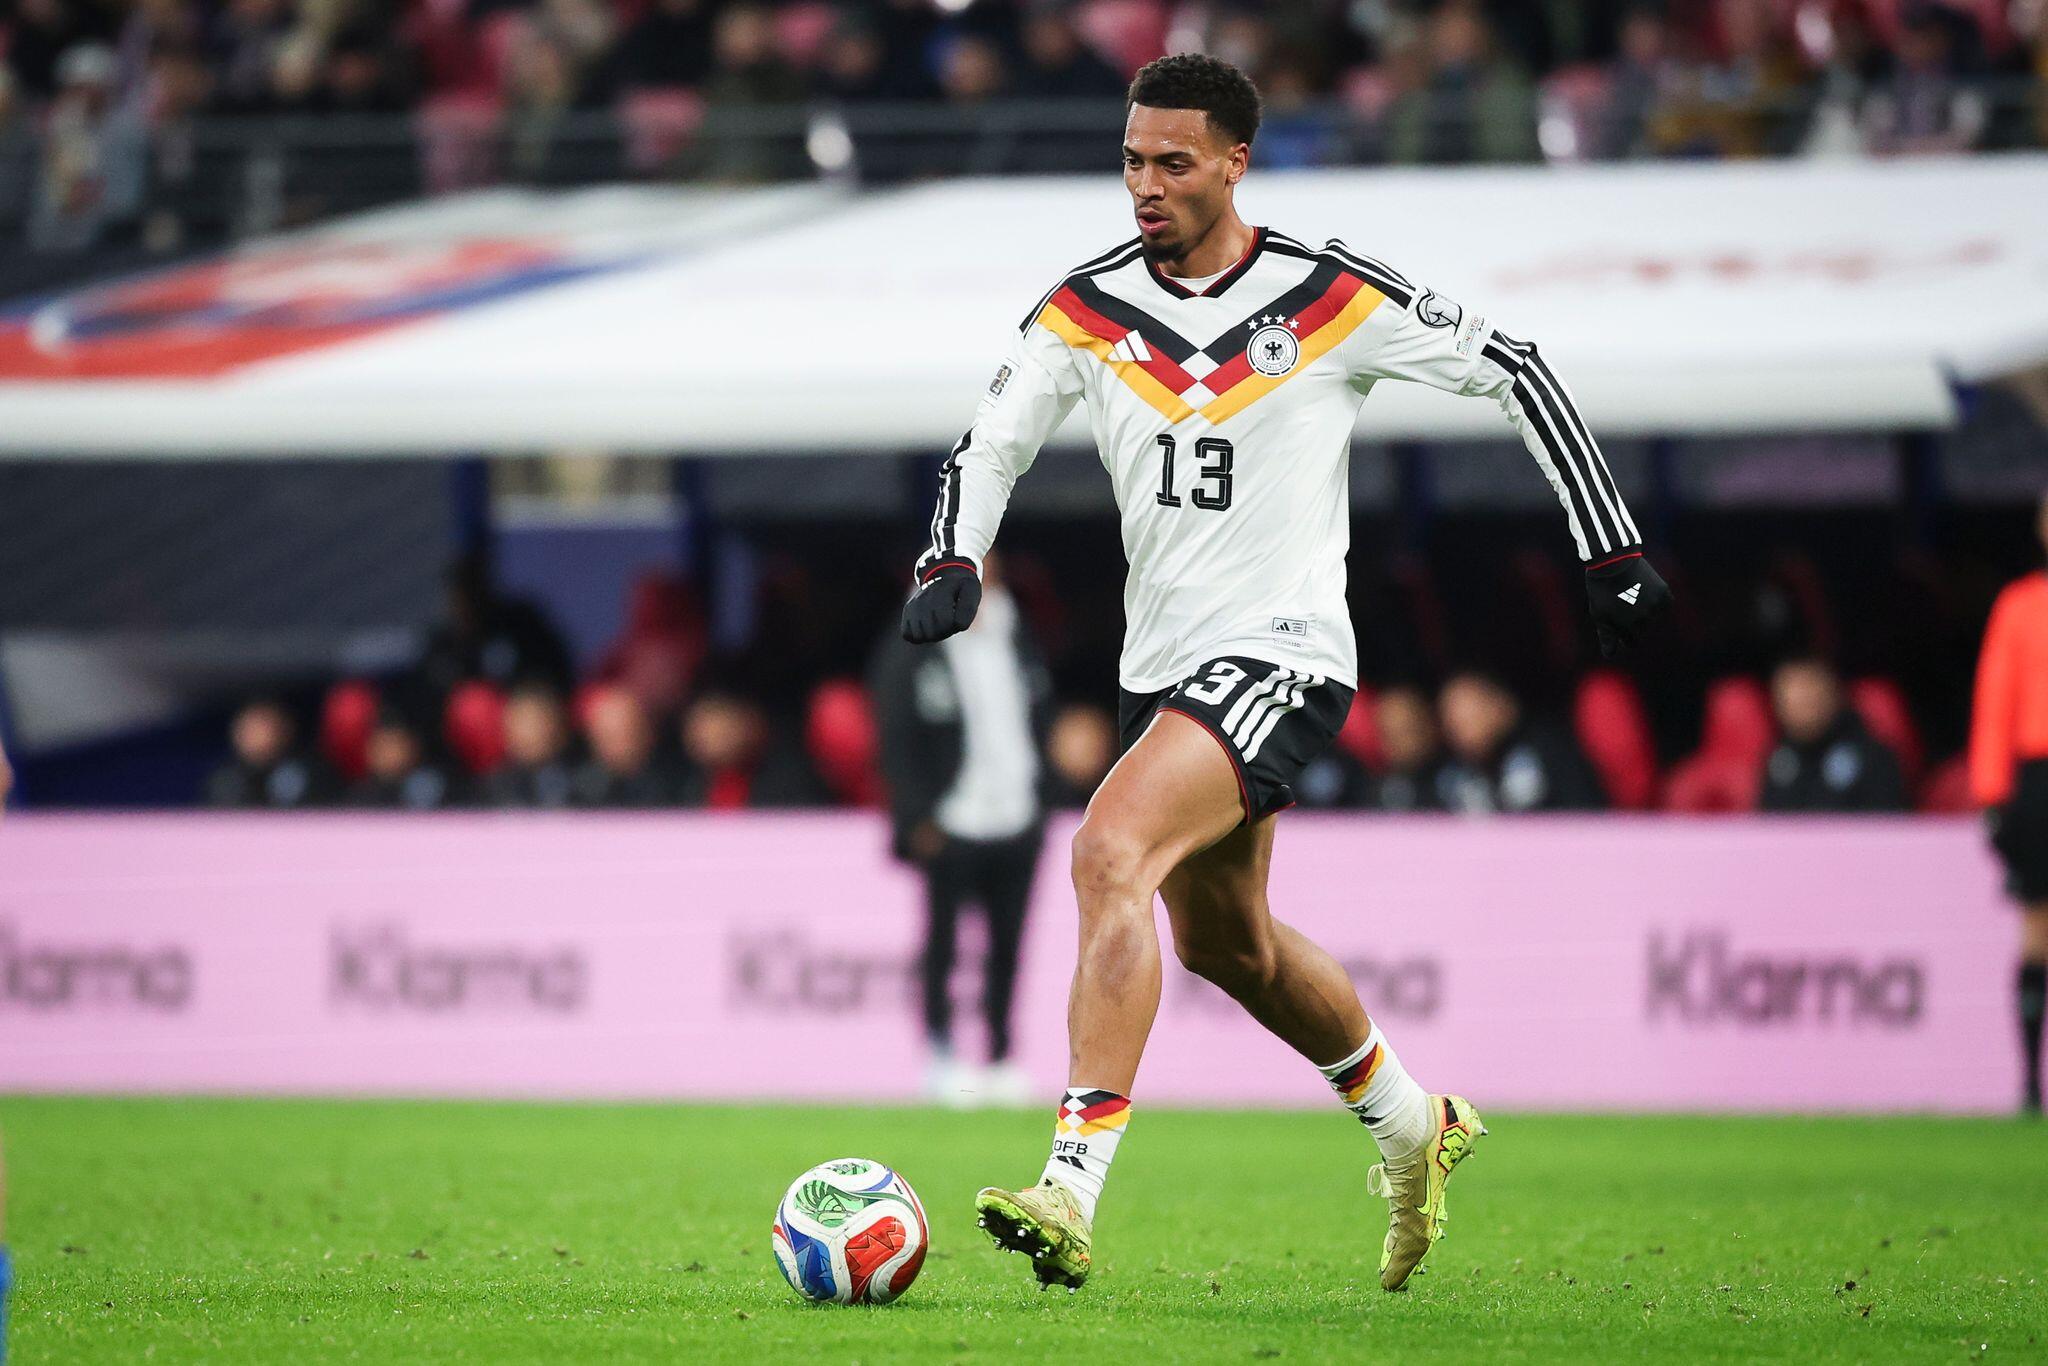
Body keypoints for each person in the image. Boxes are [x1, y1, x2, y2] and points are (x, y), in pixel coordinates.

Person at [897, 53, 1668, 1293]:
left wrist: (1609, 545)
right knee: (1228, 945)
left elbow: (1513, 366)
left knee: (1106, 851)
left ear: (1235, 161)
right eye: (1132, 161)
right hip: (1162, 673)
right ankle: (1413, 1122)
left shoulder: (1326, 295)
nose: (1145, 185)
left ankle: (1069, 1188)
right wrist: (951, 555)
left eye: (1173, 163)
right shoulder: (1085, 308)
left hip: (1283, 653)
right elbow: (986, 445)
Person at [873, 556, 1054, 1107]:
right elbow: (894, 736)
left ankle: (1000, 1057)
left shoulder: (1017, 633)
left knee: (1008, 947)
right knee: (943, 946)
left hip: (1017, 816)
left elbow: (1041, 719)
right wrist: (915, 817)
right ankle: (940, 1052)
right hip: (951, 819)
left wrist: (1045, 798)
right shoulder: (913, 639)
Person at [1970, 491, 2048, 1113]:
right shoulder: (2021, 606)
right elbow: (1996, 702)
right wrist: (1992, 794)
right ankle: (2028, 1081)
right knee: (2037, 928)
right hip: (2039, 776)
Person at [1438, 668, 1604, 813]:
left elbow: (1586, 813)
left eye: (1469, 715)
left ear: (1502, 705)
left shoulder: (1549, 750)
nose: (1459, 726)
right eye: (1452, 719)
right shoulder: (1451, 776)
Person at [1757, 656, 1906, 813]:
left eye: (1809, 693)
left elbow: (1890, 821)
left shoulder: (1874, 758)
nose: (1802, 703)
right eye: (1792, 698)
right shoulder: (1778, 759)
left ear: (1834, 693)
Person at [205, 698, 329, 810]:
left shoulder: (308, 775)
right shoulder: (225, 780)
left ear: (285, 730)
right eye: (249, 728)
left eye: (262, 726)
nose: (255, 735)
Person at [480, 683, 578, 808]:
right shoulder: (491, 787)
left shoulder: (581, 784)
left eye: (534, 723)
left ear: (555, 728)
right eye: (520, 723)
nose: (526, 734)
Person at [1358, 682, 1450, 812]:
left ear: (1428, 727)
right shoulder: (1371, 789)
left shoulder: (1451, 783)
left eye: (1405, 731)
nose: (1396, 743)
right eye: (1388, 734)